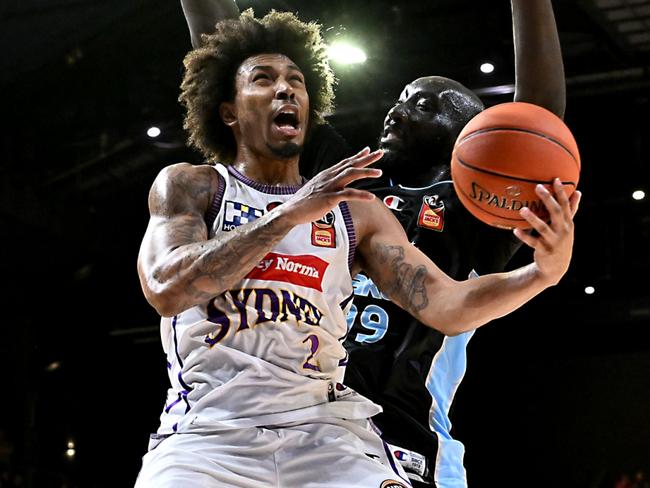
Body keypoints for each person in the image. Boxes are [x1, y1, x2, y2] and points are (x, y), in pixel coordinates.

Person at [134, 8, 579, 488]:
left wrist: (544, 272)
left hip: (371, 428)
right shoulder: (326, 182)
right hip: (215, 430)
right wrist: (290, 211)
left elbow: (536, 124)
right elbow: (230, 53)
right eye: (267, 79)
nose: (398, 110)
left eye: (424, 106)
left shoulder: (426, 208)